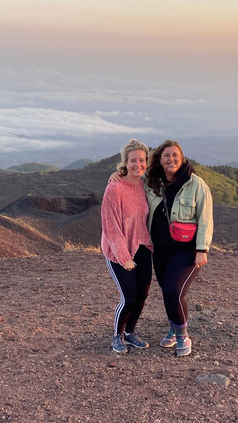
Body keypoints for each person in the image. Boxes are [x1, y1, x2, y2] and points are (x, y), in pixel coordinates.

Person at [111, 139, 214, 356]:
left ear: (182, 156)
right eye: (166, 155)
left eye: (175, 155)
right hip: (159, 251)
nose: (171, 159)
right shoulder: (151, 180)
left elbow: (205, 219)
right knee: (167, 291)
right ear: (159, 159)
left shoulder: (196, 184)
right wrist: (116, 175)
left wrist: (202, 249)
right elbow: (131, 175)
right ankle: (172, 328)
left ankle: (182, 336)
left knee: (173, 291)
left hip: (186, 250)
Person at [100, 138, 154, 354]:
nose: (138, 164)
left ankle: (130, 333)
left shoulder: (146, 185)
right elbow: (111, 227)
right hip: (118, 251)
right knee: (129, 297)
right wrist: (124, 257)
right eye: (133, 160)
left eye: (142, 160)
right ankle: (117, 335)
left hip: (142, 248)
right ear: (125, 162)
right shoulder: (115, 189)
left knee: (142, 295)